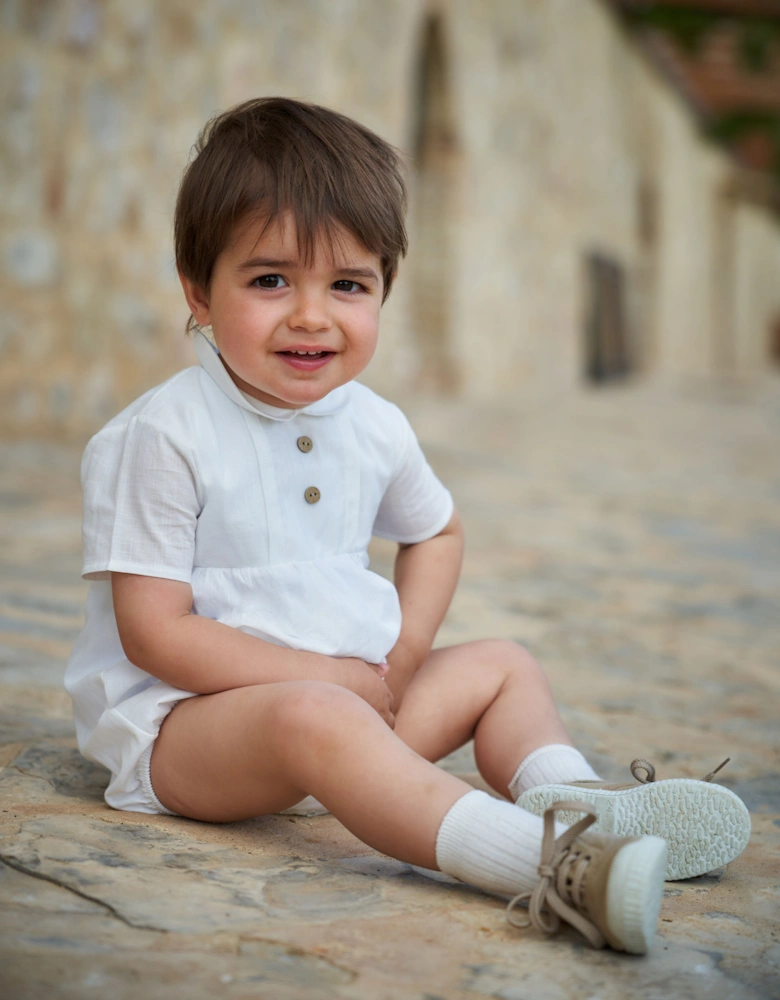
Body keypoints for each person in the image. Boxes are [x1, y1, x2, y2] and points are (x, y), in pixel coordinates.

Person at [65, 97, 750, 956]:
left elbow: (438, 533)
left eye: (348, 285)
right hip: (195, 736)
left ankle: (579, 801)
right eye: (271, 279)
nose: (312, 315)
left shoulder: (373, 424)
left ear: (384, 288)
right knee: (314, 714)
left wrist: (406, 654)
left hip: (358, 706)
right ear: (199, 289)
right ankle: (548, 867)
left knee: (503, 665)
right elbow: (154, 632)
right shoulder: (164, 434)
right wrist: (325, 678)